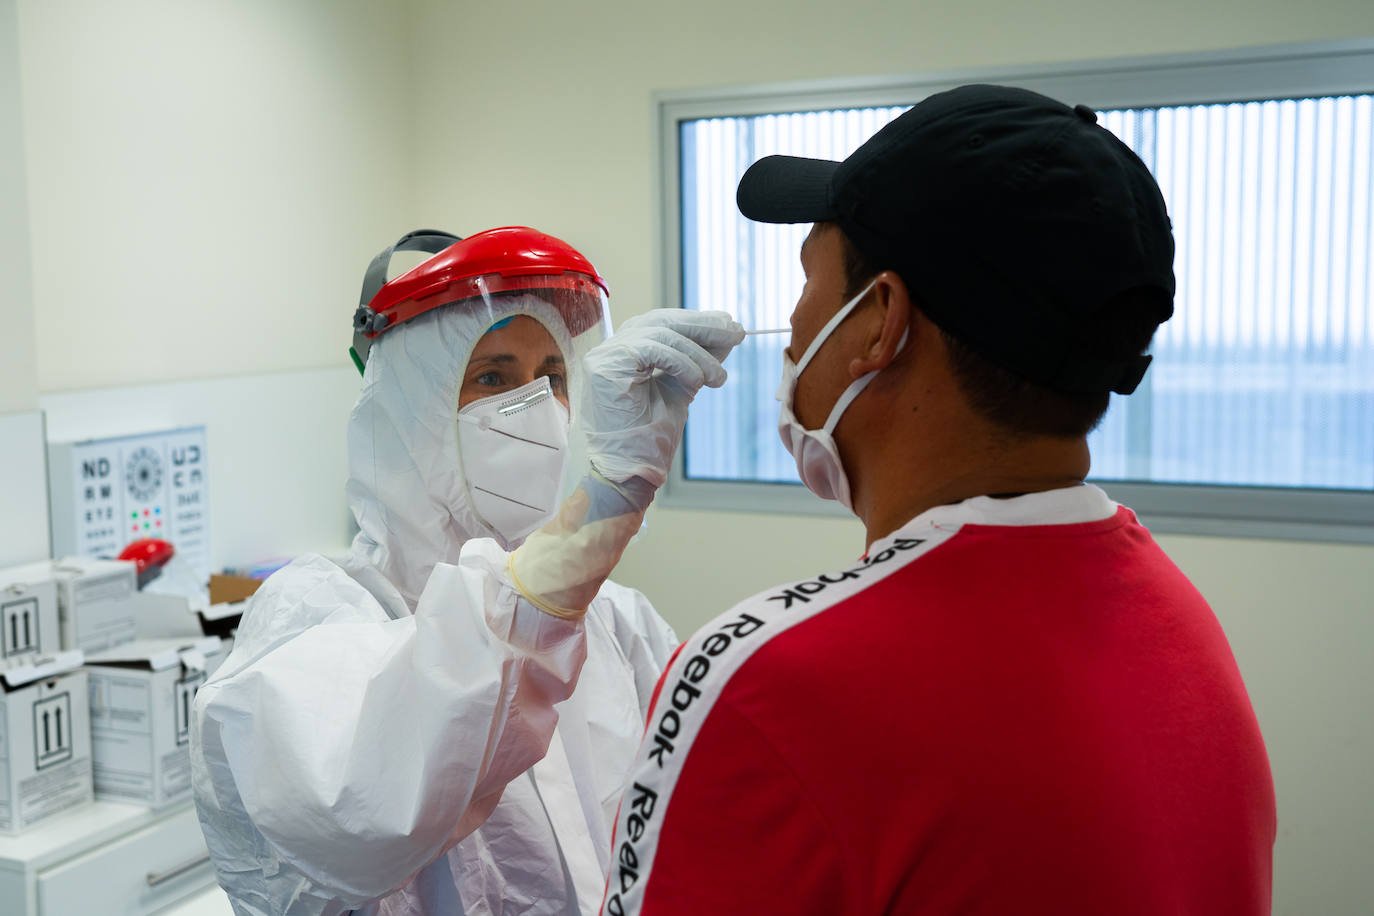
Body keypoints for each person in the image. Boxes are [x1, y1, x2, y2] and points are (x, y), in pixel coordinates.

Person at [599, 85, 1276, 915]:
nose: (793, 320)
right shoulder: (1181, 627)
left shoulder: (764, 685)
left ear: (880, 319)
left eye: (809, 278)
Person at [190, 225, 744, 915]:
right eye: (492, 378)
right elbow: (371, 804)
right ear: (413, 409)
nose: (537, 409)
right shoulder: (317, 617)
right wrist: (601, 510)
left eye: (552, 377)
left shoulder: (613, 621)